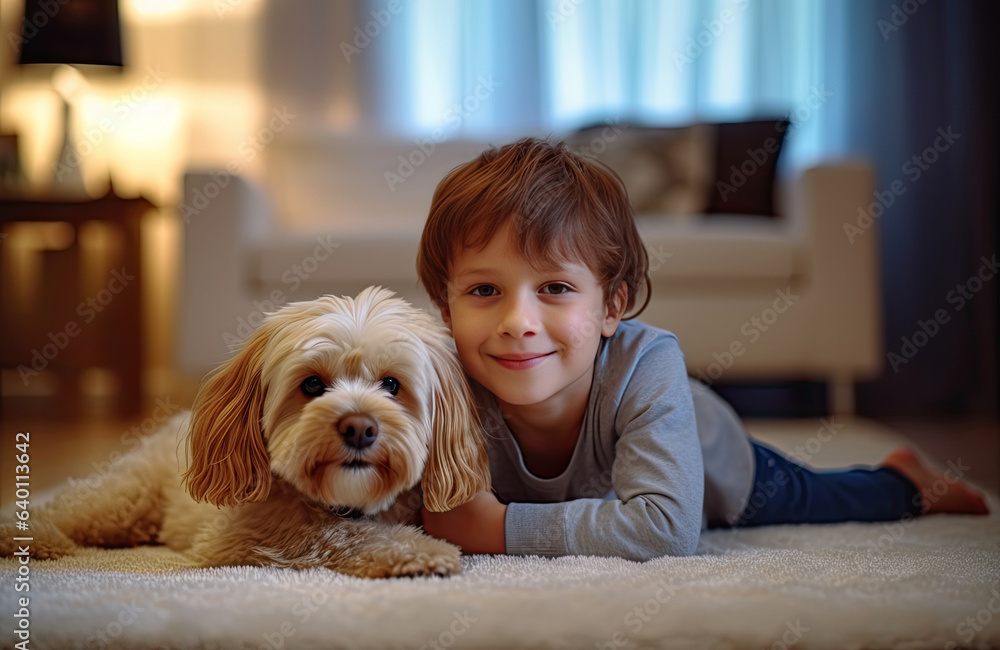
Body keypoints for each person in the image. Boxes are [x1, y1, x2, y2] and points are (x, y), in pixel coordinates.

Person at [415, 137, 989, 560]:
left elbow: (664, 529)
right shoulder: (439, 376)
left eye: (556, 289)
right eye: (484, 290)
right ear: (446, 308)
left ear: (613, 307)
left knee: (825, 496)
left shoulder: (649, 362)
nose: (518, 322)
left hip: (713, 464)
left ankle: (905, 479)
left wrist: (498, 529)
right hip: (609, 482)